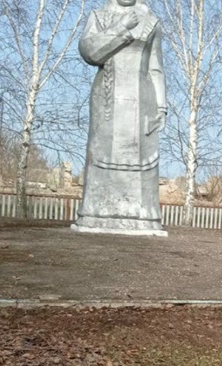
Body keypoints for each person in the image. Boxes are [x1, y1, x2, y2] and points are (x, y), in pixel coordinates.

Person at [74, 0, 167, 235]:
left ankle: (143, 216)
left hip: (142, 102)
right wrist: (121, 28)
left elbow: (155, 68)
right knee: (103, 151)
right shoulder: (99, 16)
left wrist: (161, 107)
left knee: (143, 158)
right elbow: (90, 52)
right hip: (107, 101)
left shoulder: (152, 21)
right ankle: (96, 212)